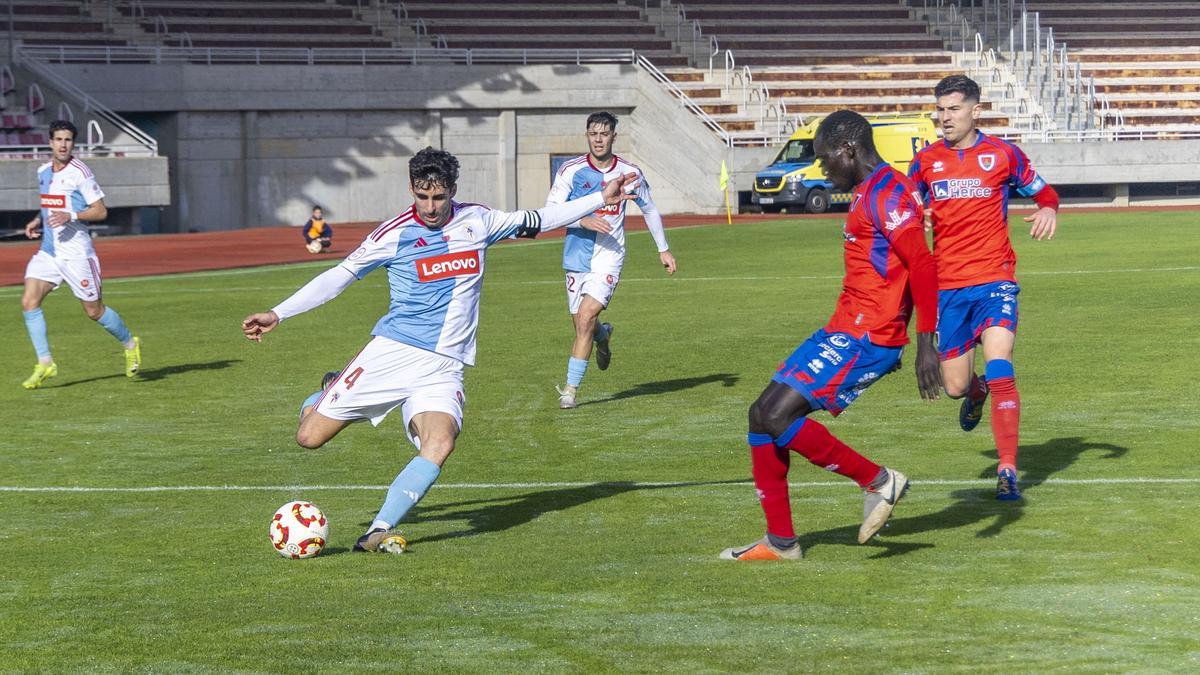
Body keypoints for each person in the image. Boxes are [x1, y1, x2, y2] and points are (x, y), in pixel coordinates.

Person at [242, 147, 639, 554]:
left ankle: (378, 529)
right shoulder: (393, 233)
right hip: (393, 354)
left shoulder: (478, 220)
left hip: (444, 366)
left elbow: (539, 217)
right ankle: (327, 390)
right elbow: (339, 277)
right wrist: (279, 313)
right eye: (421, 196)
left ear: (453, 190)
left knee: (441, 442)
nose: (429, 207)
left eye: (438, 197)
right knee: (309, 437)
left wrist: (599, 198)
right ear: (411, 190)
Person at [721, 110, 942, 561]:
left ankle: (879, 482)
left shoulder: (889, 191)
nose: (823, 170)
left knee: (777, 417)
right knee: (760, 415)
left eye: (825, 160)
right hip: (843, 328)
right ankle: (781, 542)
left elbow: (922, 264)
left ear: (849, 150)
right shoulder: (868, 192)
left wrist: (925, 344)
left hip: (868, 335)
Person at [907, 75, 1059, 501]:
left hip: (995, 279)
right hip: (948, 288)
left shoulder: (1002, 155)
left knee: (999, 363)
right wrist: (917, 220)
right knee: (955, 385)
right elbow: (906, 210)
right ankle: (975, 394)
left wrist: (1048, 209)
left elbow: (1045, 193)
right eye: (940, 110)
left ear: (976, 110)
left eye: (953, 109)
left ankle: (1008, 470)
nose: (944, 118)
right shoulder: (925, 162)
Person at [546, 111, 677, 409]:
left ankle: (569, 390)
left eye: (604, 133)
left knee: (586, 318)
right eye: (594, 133)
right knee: (582, 324)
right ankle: (603, 337)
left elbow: (649, 209)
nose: (599, 139)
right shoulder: (570, 170)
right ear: (587, 135)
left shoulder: (631, 174)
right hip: (576, 254)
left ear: (614, 137)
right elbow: (551, 212)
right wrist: (584, 220)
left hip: (609, 255)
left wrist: (663, 249)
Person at [19, 119, 141, 390]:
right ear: (50, 143)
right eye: (59, 140)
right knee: (29, 301)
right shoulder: (43, 171)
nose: (63, 145)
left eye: (68, 140)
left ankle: (130, 344)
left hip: (77, 255)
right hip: (49, 253)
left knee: (94, 311)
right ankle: (45, 362)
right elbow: (49, 204)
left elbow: (100, 211)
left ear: (73, 143)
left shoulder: (81, 172)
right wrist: (37, 221)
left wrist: (71, 214)